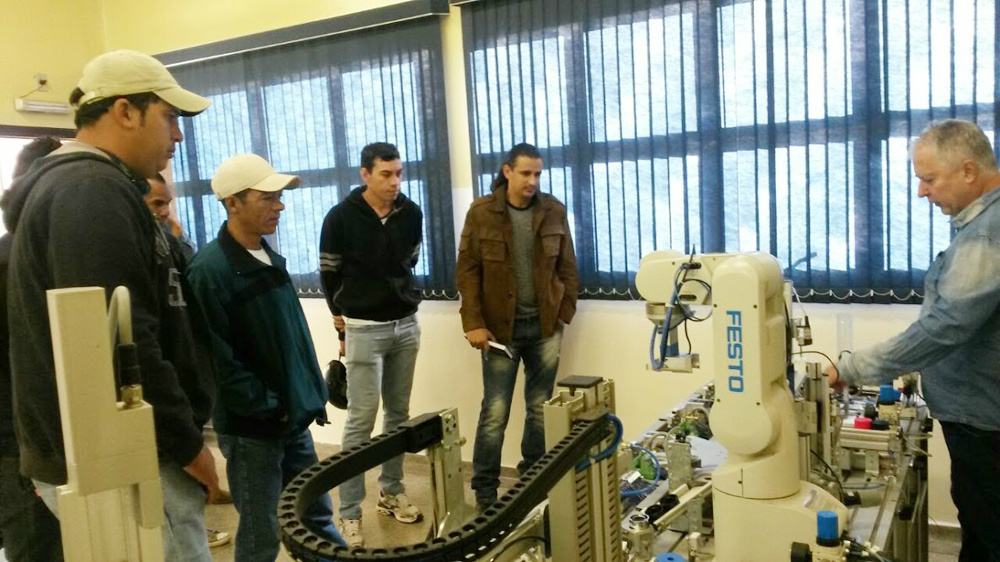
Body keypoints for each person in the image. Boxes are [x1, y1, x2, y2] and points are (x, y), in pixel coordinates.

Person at [5, 49, 220, 562]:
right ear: (125, 112)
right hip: (126, 455)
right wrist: (189, 446)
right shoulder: (89, 191)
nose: (178, 136)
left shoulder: (89, 187)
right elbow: (121, 341)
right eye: (169, 117)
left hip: (122, 450)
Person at [826, 120, 1000, 562]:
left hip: (986, 428)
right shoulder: (976, 225)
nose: (922, 192)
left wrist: (850, 368)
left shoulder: (986, 234)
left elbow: (947, 325)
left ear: (967, 170)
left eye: (929, 179)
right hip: (979, 417)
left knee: (988, 536)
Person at [186, 153, 342, 561]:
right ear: (232, 202)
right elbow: (218, 363)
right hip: (254, 429)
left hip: (292, 417)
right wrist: (269, 407)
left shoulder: (267, 258)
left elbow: (289, 340)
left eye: (280, 196)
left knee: (316, 517)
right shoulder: (210, 270)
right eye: (267, 197)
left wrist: (304, 398)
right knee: (260, 532)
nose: (280, 205)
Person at [455, 142, 579, 512]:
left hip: (544, 329)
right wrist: (473, 323)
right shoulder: (482, 212)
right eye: (526, 173)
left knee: (541, 409)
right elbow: (467, 270)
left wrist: (563, 315)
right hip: (499, 333)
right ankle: (485, 492)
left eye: (538, 174)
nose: (533, 181)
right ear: (507, 171)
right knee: (495, 412)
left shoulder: (554, 209)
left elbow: (568, 267)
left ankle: (532, 482)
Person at [319, 142, 423, 547]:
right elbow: (328, 272)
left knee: (399, 415)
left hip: (406, 325)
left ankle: (391, 492)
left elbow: (410, 260)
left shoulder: (411, 213)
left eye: (398, 173)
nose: (395, 181)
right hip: (362, 328)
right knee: (361, 421)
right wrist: (340, 320)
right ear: (365, 174)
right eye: (385, 174)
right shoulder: (341, 218)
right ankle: (348, 513)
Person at [140, 173, 232, 550]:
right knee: (179, 527)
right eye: (156, 205)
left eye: (168, 204)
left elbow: (187, 289)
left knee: (185, 514)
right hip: (164, 424)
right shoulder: (133, 252)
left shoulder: (169, 243)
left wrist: (178, 240)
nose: (165, 214)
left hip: (186, 404)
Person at [0, 136, 63, 562]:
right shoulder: (14, 261)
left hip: (42, 438)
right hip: (18, 443)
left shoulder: (42, 253)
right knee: (36, 547)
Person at [145, 173, 195, 263]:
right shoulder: (132, 234)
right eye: (158, 204)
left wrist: (179, 238)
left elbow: (190, 264)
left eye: (167, 203)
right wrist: (173, 240)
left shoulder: (170, 226)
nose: (166, 212)